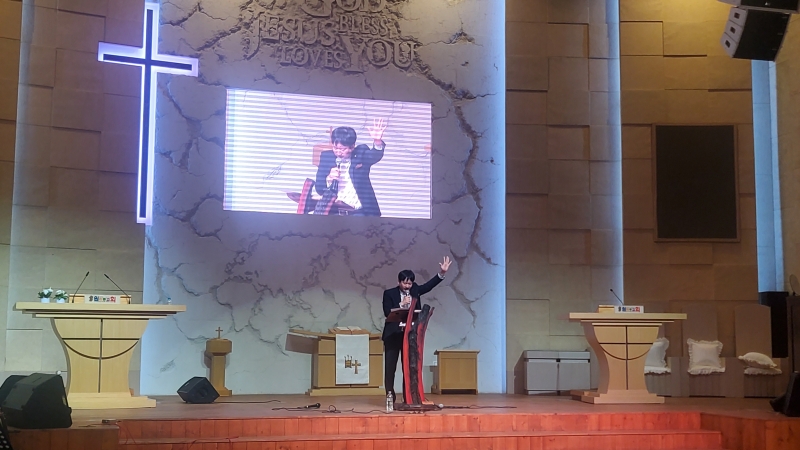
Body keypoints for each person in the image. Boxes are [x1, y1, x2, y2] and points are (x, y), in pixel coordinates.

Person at [381, 256, 452, 402]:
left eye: (410, 283)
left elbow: (429, 286)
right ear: (399, 282)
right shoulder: (389, 293)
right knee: (390, 367)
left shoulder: (415, 290)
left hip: (409, 335)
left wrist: (442, 273)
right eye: (405, 283)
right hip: (393, 335)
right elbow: (387, 312)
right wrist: (401, 304)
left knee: (409, 367)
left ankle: (408, 396)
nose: (407, 286)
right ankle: (390, 395)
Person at [314, 119, 387, 216]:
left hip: (359, 212)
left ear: (352, 147)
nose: (338, 152)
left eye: (342, 149)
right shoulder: (326, 157)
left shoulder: (360, 153)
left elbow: (374, 156)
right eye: (335, 148)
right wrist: (329, 179)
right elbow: (319, 188)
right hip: (334, 212)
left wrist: (377, 141)